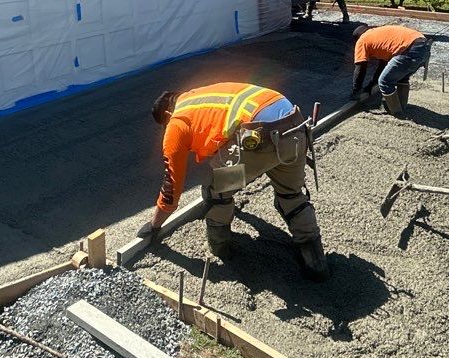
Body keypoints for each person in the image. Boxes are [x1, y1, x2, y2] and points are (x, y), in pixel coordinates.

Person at [137, 82, 329, 280]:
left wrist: (154, 226)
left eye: (164, 125)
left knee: (216, 190)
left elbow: (172, 187)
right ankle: (316, 263)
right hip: (295, 127)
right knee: (291, 196)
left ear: (167, 115)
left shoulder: (177, 122)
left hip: (260, 138)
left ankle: (221, 247)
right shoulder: (199, 96)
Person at [351, 23, 431, 116]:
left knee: (385, 82)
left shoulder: (362, 40)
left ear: (357, 38)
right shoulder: (378, 35)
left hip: (409, 49)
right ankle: (401, 107)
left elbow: (360, 68)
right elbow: (383, 67)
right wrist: (371, 85)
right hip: (424, 46)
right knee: (401, 77)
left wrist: (356, 90)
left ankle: (396, 113)